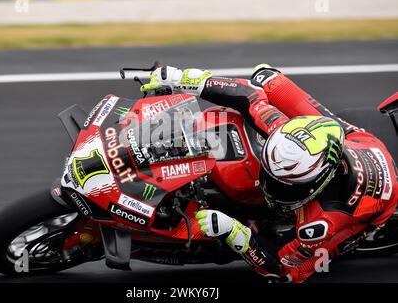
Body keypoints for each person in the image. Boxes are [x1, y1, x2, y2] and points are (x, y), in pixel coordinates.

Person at [140, 64, 398, 283]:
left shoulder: (323, 222)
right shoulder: (282, 130)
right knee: (266, 77)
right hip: (360, 141)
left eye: (284, 186)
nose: (269, 188)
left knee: (297, 268)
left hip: (372, 205)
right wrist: (185, 79)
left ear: (316, 184)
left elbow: (285, 270)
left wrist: (234, 232)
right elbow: (247, 95)